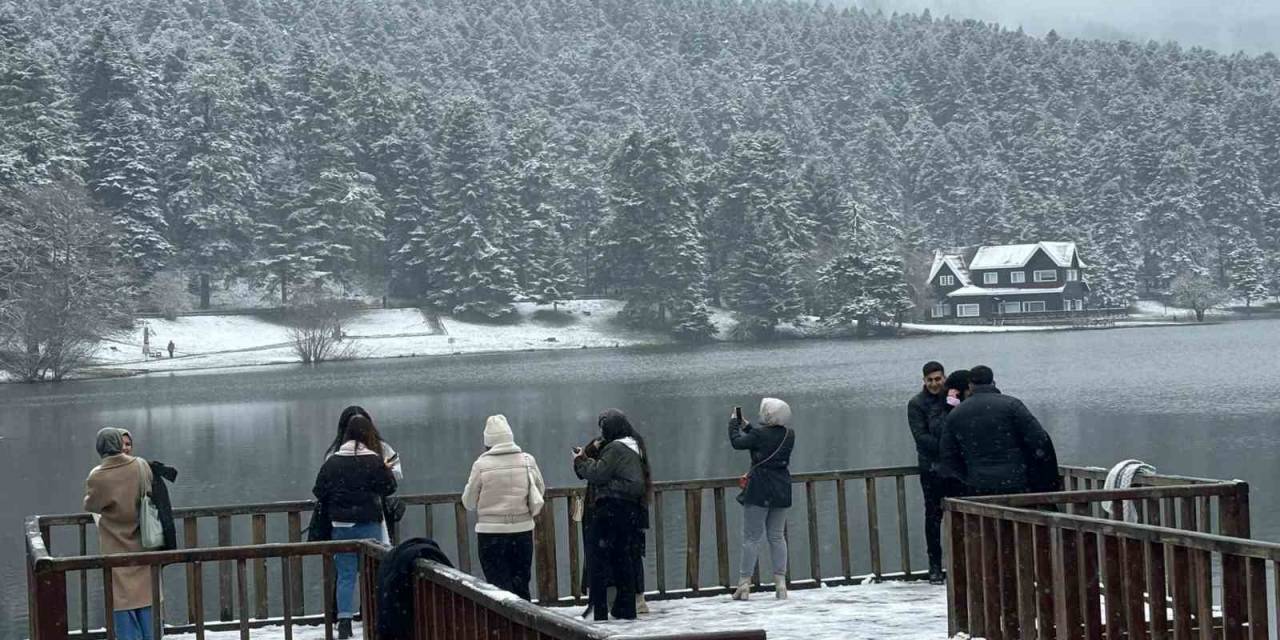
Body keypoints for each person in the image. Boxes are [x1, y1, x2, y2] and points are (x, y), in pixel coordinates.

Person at [312, 415, 397, 639]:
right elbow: (389, 487)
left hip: (341, 525)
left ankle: (345, 621)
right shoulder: (374, 460)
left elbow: (319, 490)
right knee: (371, 573)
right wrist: (385, 470)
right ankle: (374, 617)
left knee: (345, 574)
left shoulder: (334, 461)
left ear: (347, 434)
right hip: (369, 523)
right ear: (368, 434)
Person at [573, 409, 650, 621]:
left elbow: (598, 473)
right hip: (631, 511)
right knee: (624, 558)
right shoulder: (634, 445)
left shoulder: (616, 448)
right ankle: (627, 608)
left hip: (611, 510)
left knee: (598, 559)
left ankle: (599, 611)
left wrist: (581, 459)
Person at [460, 414, 546, 600]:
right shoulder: (527, 460)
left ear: (488, 442)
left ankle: (501, 627)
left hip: (491, 534)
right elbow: (540, 490)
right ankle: (525, 624)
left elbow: (468, 502)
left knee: (498, 588)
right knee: (521, 582)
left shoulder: (481, 465)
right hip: (522, 531)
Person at [938, 365, 1058, 497]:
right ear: (992, 382)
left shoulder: (956, 413)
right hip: (1015, 481)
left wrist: (966, 479)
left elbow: (947, 454)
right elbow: (1040, 439)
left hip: (978, 484)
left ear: (970, 385)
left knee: (984, 517)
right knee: (1017, 516)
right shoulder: (1012, 405)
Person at [83, 428, 155, 640]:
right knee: (147, 596)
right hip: (144, 539)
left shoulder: (98, 476)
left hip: (115, 544)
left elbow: (91, 504)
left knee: (122, 599)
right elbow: (149, 490)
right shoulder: (141, 465)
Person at [729, 398, 795, 601]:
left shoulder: (759, 435)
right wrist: (747, 425)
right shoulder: (789, 435)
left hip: (759, 489)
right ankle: (781, 584)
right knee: (776, 536)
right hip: (781, 488)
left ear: (767, 414)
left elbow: (738, 442)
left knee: (751, 538)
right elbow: (765, 439)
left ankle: (743, 584)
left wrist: (734, 423)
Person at [907, 361, 959, 585]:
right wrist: (947, 450)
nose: (935, 384)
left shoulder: (955, 398)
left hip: (956, 470)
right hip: (931, 468)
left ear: (944, 378)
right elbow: (921, 437)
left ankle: (960, 563)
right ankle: (935, 566)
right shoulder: (916, 403)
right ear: (924, 381)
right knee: (933, 516)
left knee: (959, 515)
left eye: (938, 379)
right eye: (930, 380)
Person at [327, 406, 403, 544]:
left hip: (354, 518)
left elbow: (322, 487)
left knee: (350, 559)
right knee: (373, 555)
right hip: (366, 516)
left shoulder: (381, 448)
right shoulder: (335, 454)